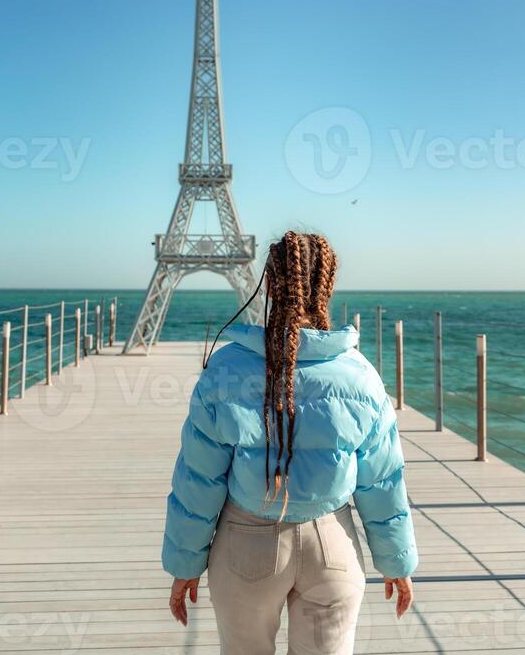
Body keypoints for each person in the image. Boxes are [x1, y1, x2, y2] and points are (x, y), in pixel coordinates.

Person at [162, 231, 417, 654]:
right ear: (328, 285)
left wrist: (185, 564)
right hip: (332, 543)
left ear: (270, 283)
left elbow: (199, 479)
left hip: (246, 543)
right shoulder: (360, 375)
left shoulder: (226, 368)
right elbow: (383, 482)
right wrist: (396, 562)